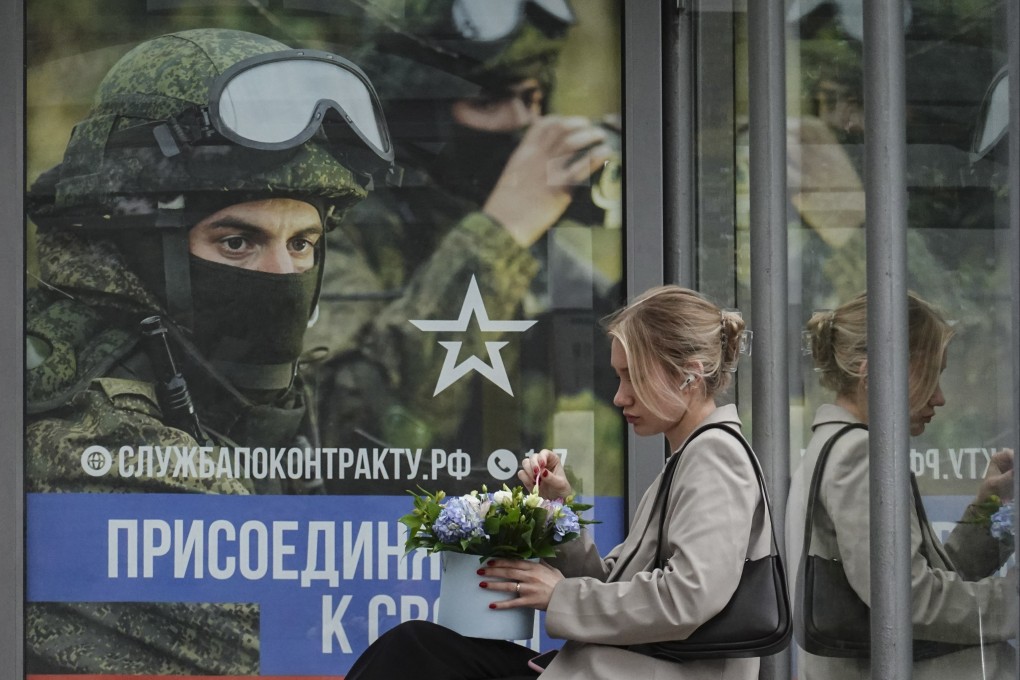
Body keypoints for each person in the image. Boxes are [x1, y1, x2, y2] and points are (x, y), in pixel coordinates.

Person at [24, 28, 392, 674]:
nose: (282, 275)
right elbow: (323, 638)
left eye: (303, 243)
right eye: (237, 242)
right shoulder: (90, 432)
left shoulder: (208, 381)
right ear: (142, 247)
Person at [343, 285, 767, 680]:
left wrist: (559, 594)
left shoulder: (714, 456)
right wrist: (556, 510)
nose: (620, 396)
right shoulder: (689, 457)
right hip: (619, 666)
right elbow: (616, 588)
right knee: (418, 647)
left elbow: (687, 598)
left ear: (689, 375)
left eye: (632, 377)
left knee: (414, 651)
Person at [302, 0, 623, 492]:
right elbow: (359, 436)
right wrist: (501, 231)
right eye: (489, 101)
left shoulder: (524, 244)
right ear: (419, 113)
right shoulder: (337, 228)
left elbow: (654, 371)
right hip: (379, 539)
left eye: (533, 96)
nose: (525, 122)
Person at [787, 292, 1017, 679]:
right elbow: (908, 599)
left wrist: (990, 507)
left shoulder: (838, 449)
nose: (940, 398)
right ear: (874, 372)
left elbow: (916, 581)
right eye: (931, 375)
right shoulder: (859, 455)